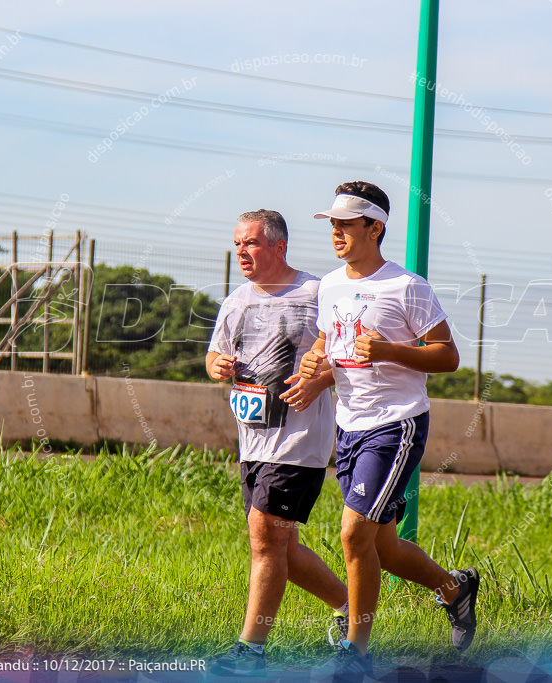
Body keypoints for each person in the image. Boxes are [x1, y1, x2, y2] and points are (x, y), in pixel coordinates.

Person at [299, 182, 479, 681]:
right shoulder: (331, 285)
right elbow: (326, 343)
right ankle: (454, 589)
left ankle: (356, 651)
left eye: (346, 224)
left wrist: (389, 351)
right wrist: (316, 368)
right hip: (348, 423)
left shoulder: (407, 286)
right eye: (332, 224)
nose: (336, 232)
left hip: (395, 423)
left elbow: (447, 355)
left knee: (353, 534)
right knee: (381, 546)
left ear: (375, 228)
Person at [205, 209, 349, 677]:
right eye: (237, 244)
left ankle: (251, 652)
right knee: (281, 547)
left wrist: (319, 379)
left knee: (265, 536)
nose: (241, 252)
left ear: (278, 246)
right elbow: (213, 352)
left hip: (300, 439)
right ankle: (351, 605)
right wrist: (217, 367)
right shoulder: (236, 301)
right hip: (253, 440)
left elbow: (348, 356)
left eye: (249, 243)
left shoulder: (316, 293)